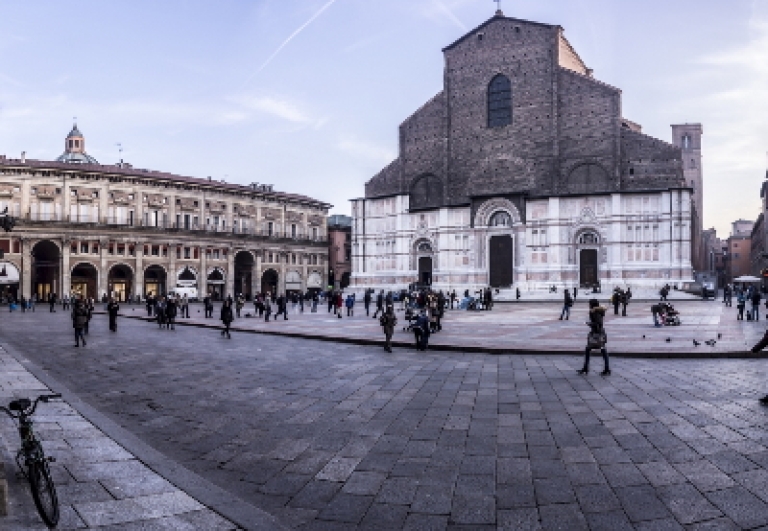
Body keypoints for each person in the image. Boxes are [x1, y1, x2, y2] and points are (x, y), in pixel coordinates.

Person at [578, 298, 609, 376]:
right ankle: (606, 368)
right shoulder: (600, 311)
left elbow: (598, 323)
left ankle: (586, 368)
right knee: (602, 349)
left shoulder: (594, 312)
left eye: (589, 303)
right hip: (600, 333)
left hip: (596, 334)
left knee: (589, 349)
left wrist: (589, 323)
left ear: (592, 304)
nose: (588, 305)